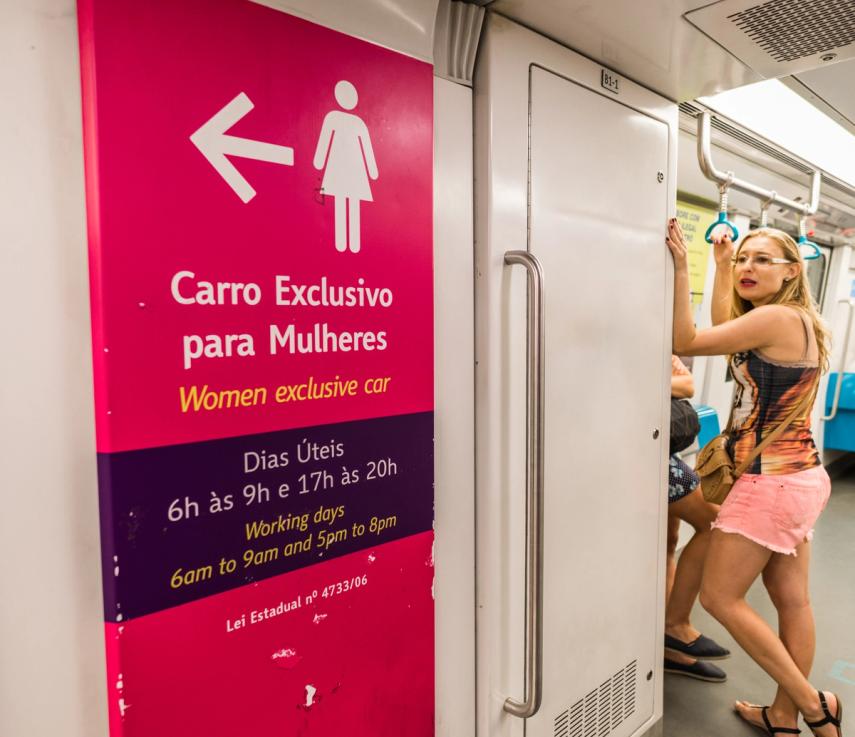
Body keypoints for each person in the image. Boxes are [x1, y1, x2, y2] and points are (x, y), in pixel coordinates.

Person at [666, 220, 841, 737]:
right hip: (802, 477)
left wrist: (682, 266)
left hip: (771, 485)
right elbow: (728, 333)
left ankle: (813, 706)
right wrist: (721, 268)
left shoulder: (778, 318)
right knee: (793, 601)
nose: (748, 266)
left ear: (792, 271)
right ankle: (782, 716)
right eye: (744, 258)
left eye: (762, 259)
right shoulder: (791, 320)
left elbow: (686, 340)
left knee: (720, 598)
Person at [664, 355, 730, 682]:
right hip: (644, 453)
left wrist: (653, 384)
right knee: (713, 522)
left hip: (662, 447)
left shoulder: (656, 341)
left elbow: (687, 384)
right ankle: (675, 626)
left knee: (668, 543)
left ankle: (666, 645)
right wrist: (666, 384)